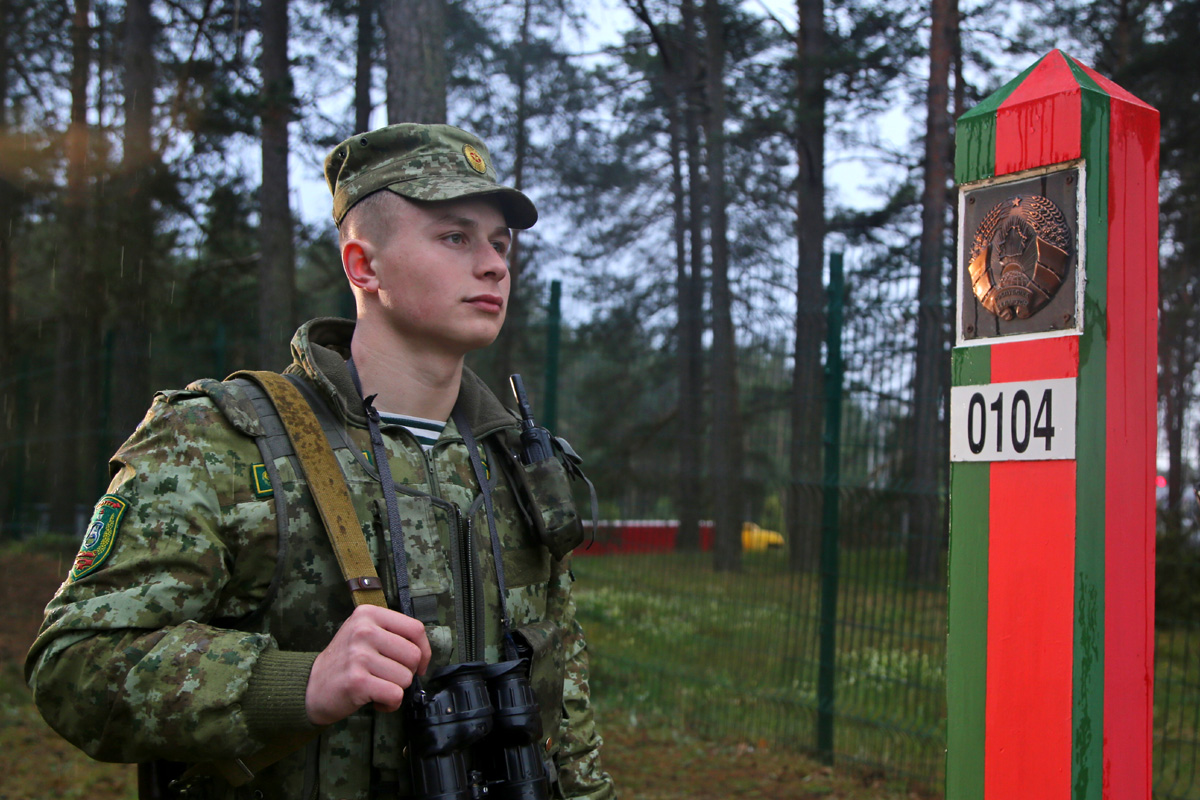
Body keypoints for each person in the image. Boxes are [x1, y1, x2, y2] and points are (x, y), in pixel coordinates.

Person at [26, 123, 616, 800]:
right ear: (364, 265)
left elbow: (563, 696)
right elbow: (73, 666)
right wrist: (293, 684)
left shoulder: (516, 461)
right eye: (456, 237)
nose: (494, 265)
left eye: (501, 244)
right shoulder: (221, 440)